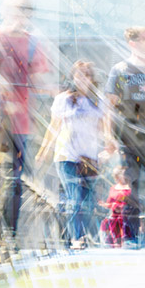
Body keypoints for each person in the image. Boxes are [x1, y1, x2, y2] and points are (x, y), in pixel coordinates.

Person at [104, 26, 145, 247]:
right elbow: (109, 106)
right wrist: (108, 136)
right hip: (127, 137)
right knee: (129, 185)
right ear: (132, 43)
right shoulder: (120, 70)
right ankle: (131, 235)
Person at [0, 0, 49, 243]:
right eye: (18, 10)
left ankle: (7, 236)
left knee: (13, 180)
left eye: (26, 12)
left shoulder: (32, 44)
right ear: (6, 10)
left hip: (19, 125)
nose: (21, 16)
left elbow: (38, 82)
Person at [36, 61, 108, 249]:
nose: (83, 78)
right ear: (73, 77)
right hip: (66, 155)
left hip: (90, 156)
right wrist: (43, 150)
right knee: (74, 197)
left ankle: (85, 235)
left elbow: (104, 128)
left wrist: (108, 147)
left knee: (89, 199)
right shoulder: (63, 99)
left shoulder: (98, 100)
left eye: (87, 74)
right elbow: (53, 127)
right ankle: (76, 238)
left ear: (92, 78)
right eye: (79, 74)